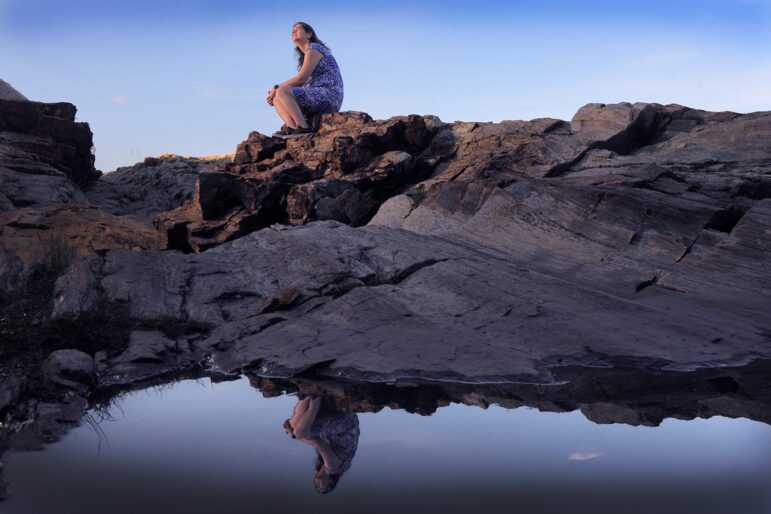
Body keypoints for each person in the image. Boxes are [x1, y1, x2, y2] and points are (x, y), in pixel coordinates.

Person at [267, 22, 344, 139]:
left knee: (281, 91)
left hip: (329, 95)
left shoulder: (315, 49)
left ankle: (304, 128)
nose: (294, 32)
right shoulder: (306, 56)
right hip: (317, 95)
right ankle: (292, 128)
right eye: (292, 30)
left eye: (298, 29)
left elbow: (300, 80)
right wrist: (277, 92)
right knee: (277, 95)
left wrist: (276, 87)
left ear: (309, 34)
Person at [284, 396, 359, 493]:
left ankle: (306, 396)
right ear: (331, 483)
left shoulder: (329, 466)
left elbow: (318, 442)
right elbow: (319, 443)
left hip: (339, 429)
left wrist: (295, 435)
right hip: (345, 426)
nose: (317, 484)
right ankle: (315, 402)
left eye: (316, 486)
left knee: (293, 424)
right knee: (299, 432)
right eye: (321, 487)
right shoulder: (333, 467)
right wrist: (296, 437)